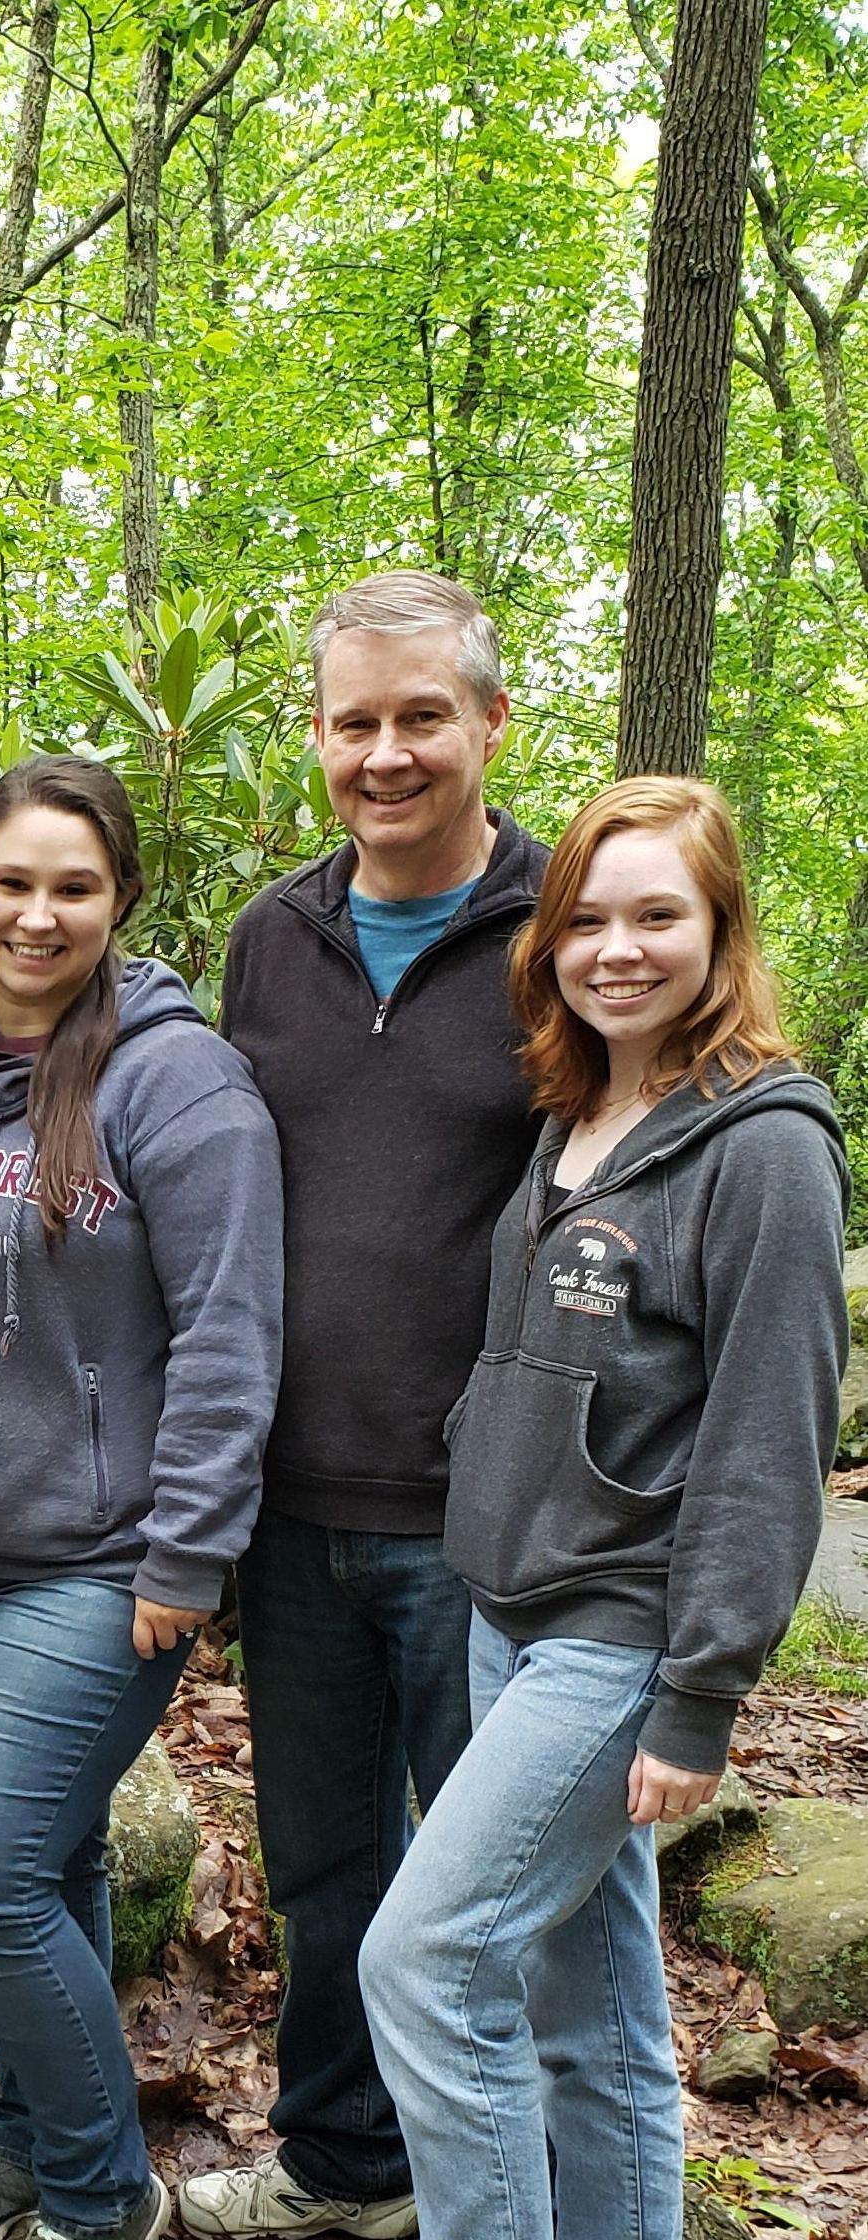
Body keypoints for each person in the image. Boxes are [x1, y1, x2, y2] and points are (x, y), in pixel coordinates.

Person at [359, 776, 849, 2240]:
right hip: (506, 1616)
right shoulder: (580, 1109)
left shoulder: (762, 1147)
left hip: (618, 1640)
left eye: (657, 916)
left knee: (429, 1964)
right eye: (586, 917)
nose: (616, 948)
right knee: (597, 2013)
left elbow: (771, 1444)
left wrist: (697, 1694)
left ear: (719, 930)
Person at [182, 571, 549, 2240]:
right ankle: (346, 2165)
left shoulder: (571, 931)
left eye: (419, 717)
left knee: (496, 1906)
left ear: (487, 719)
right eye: (353, 723)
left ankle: (518, 2188)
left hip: (485, 1523)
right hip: (294, 1507)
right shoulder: (270, 938)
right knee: (327, 1869)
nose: (383, 753)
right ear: (314, 738)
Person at [0, 756, 283, 2240]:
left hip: (104, 1563)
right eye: (10, 881)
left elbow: (233, 1332)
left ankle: (103, 2198)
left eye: (73, 888)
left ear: (120, 900)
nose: (36, 916)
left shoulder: (179, 1081)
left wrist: (188, 1554)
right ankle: (31, 2137)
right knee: (47, 1860)